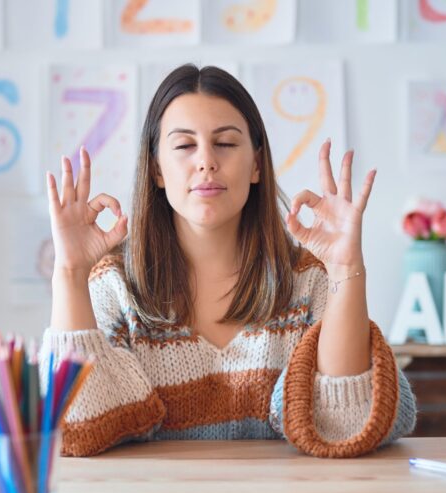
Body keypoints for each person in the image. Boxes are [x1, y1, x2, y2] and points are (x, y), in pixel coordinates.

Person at [44, 64, 416, 458]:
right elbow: (75, 430)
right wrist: (69, 272)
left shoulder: (308, 282)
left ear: (256, 164)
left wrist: (345, 271)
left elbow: (347, 426)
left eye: (225, 143)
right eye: (185, 146)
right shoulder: (116, 286)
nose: (206, 161)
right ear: (157, 169)